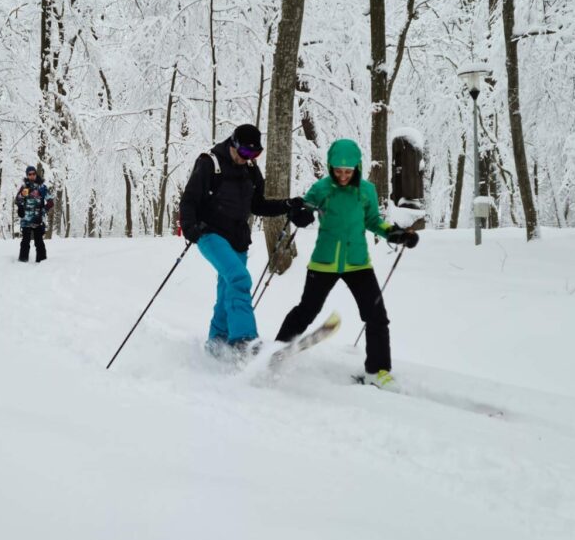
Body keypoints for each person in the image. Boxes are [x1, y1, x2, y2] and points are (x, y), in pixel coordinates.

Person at [274, 138, 419, 389]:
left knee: (377, 317)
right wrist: (300, 214)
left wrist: (395, 234)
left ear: (357, 168)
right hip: (324, 262)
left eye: (348, 171)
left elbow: (373, 220)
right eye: (338, 171)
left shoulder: (366, 191)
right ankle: (275, 353)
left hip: (358, 264)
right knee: (306, 311)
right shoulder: (321, 188)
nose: (343, 176)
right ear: (331, 168)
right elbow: (305, 211)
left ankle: (378, 371)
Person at [178, 123, 308, 356]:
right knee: (239, 278)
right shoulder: (209, 163)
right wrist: (190, 227)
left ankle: (217, 344)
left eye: (255, 153)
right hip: (210, 234)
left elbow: (258, 205)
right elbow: (188, 200)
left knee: (227, 290)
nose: (248, 158)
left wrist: (287, 205)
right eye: (245, 153)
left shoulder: (250, 169)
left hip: (238, 238)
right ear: (234, 144)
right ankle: (244, 341)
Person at [15, 165, 53, 262]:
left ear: (36, 174)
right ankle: (22, 261)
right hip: (26, 219)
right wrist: (20, 207)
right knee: (25, 241)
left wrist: (43, 210)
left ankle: (42, 262)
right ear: (27, 175)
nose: (32, 176)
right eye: (29, 174)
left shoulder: (42, 188)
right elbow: (18, 199)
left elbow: (50, 201)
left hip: (38, 219)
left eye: (33, 173)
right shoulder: (25, 187)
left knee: (39, 241)